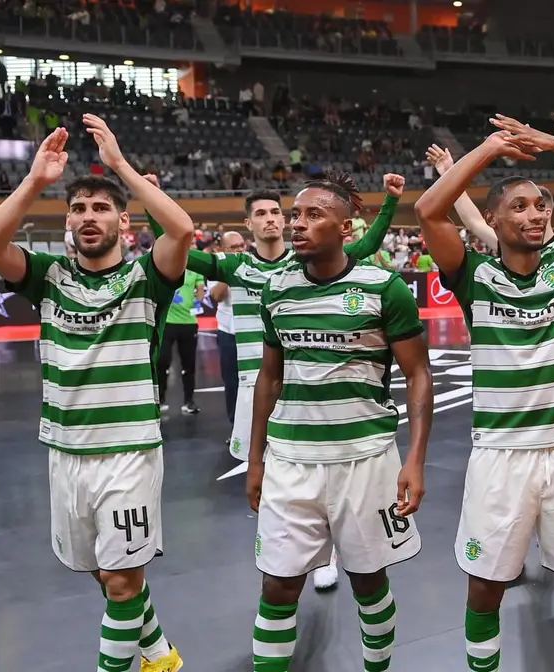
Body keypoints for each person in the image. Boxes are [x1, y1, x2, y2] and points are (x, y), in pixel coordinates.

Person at [414, 117, 554, 672]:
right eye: (519, 207)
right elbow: (429, 212)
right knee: (484, 590)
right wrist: (487, 148)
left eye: (541, 206)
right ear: (491, 220)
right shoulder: (472, 277)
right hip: (499, 457)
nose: (535, 215)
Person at [0, 119, 190, 672]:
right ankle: (161, 655)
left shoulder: (148, 277)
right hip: (66, 451)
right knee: (105, 572)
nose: (88, 217)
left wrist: (118, 166)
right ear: (67, 222)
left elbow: (183, 230)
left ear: (124, 220)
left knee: (121, 581)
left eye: (100, 208)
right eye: (78, 209)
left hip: (129, 450)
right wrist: (34, 183)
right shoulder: (47, 276)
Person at [146, 172, 403, 591]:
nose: (270, 220)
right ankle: (289, 545)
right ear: (249, 224)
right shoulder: (236, 266)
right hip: (257, 386)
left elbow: (366, 246)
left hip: (301, 385)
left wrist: (390, 202)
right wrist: (152, 202)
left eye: (275, 213)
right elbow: (180, 252)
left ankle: (328, 554)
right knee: (268, 478)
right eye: (260, 214)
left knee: (326, 474)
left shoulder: (307, 261)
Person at [246, 180, 433, 672]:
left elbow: (418, 373)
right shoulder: (277, 288)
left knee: (368, 580)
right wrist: (255, 459)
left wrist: (414, 459)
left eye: (312, 215)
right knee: (278, 584)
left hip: (365, 460)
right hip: (290, 460)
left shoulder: (384, 288)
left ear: (345, 228)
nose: (296, 224)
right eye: (295, 214)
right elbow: (270, 376)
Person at [424, 113, 554, 254]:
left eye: (538, 206)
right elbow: (474, 222)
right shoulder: (511, 248)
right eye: (520, 207)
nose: (531, 214)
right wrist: (449, 172)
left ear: (547, 212)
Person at [157, 243, 204, 414]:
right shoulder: (167, 264)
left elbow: (200, 288)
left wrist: (198, 303)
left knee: (189, 365)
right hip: (167, 322)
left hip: (188, 322)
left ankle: (189, 401)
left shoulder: (195, 269)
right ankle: (160, 399)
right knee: (162, 362)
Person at [211, 231, 247, 423]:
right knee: (232, 382)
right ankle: (235, 428)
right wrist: (229, 270)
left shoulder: (253, 263)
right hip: (228, 332)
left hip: (253, 332)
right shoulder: (216, 267)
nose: (239, 250)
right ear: (222, 250)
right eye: (234, 247)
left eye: (241, 245)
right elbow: (216, 296)